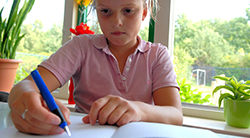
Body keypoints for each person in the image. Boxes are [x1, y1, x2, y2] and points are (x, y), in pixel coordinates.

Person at [8, 0, 183, 135]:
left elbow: (175, 115)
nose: (117, 22)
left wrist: (138, 109)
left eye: (128, 11)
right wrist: (26, 97)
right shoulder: (81, 47)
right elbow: (24, 86)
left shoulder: (157, 55)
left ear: (144, 12)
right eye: (106, 11)